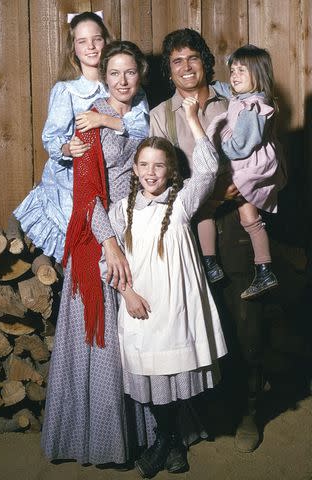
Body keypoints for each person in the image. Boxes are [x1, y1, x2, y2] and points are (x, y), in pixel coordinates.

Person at [150, 28, 267, 453]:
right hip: (189, 227)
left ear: (205, 62)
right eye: (176, 61)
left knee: (245, 314)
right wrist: (212, 195)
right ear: (169, 69)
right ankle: (208, 409)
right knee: (197, 317)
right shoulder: (162, 114)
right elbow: (160, 176)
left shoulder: (230, 99)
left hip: (236, 223)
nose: (185, 67)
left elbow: (257, 150)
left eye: (192, 58)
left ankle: (250, 410)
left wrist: (243, 189)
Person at [41, 40, 154, 467]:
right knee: (101, 334)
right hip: (96, 232)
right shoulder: (88, 122)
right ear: (103, 77)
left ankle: (144, 433)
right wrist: (109, 244)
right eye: (114, 73)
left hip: (138, 225)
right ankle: (99, 439)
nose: (122, 81)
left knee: (139, 329)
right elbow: (85, 194)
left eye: (130, 72)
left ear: (140, 75)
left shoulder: (142, 114)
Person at [108, 134, 227, 478]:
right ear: (133, 169)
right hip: (139, 304)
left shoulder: (182, 202)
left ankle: (166, 442)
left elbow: (208, 170)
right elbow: (110, 262)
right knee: (149, 374)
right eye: (143, 164)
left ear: (171, 170)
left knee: (173, 372)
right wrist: (127, 293)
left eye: (159, 165)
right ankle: (171, 441)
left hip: (176, 305)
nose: (150, 172)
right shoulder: (122, 210)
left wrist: (193, 121)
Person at [13, 11, 149, 263]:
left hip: (117, 182)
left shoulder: (127, 85)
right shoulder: (68, 91)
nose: (91, 47)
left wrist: (104, 119)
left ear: (106, 42)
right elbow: (51, 139)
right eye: (82, 41)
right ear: (72, 49)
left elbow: (143, 128)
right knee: (84, 256)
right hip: (75, 185)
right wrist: (67, 148)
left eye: (97, 39)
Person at [200, 44, 287, 299]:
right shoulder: (247, 97)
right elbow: (229, 89)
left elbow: (240, 147)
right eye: (233, 70)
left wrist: (220, 143)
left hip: (245, 167)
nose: (234, 76)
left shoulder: (253, 108)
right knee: (250, 219)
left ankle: (209, 263)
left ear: (258, 76)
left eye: (241, 71)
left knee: (206, 207)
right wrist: (216, 85)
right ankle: (264, 269)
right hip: (250, 166)